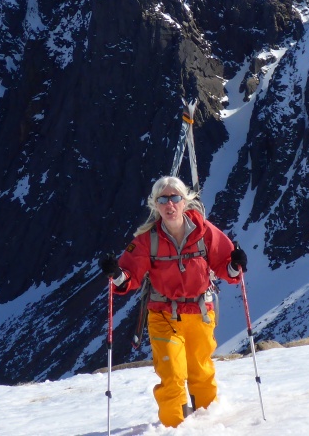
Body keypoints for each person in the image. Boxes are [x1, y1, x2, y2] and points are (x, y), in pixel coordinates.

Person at [99, 175, 248, 428]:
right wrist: (116, 274)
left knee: (201, 373)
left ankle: (208, 427)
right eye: (163, 199)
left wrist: (235, 264)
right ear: (155, 205)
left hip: (200, 313)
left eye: (175, 198)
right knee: (172, 376)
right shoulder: (147, 240)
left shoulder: (205, 232)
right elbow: (129, 277)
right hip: (163, 315)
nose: (170, 204)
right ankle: (175, 429)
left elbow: (227, 268)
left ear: (185, 201)